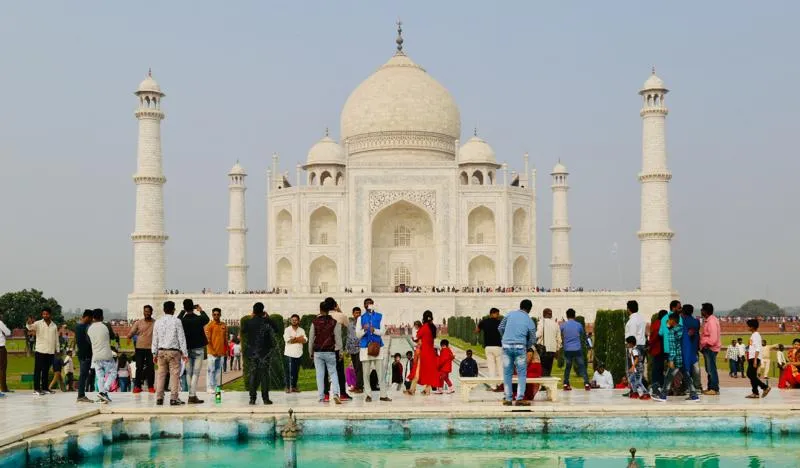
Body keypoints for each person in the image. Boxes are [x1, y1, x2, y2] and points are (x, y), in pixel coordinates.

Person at [498, 299, 536, 406]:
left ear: (520, 306)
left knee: (507, 373)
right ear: (529, 309)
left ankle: (508, 398)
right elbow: (533, 338)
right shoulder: (529, 320)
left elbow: (500, 327)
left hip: (506, 346)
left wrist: (505, 338)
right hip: (520, 347)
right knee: (521, 374)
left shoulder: (510, 314)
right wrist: (527, 346)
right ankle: (519, 398)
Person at [654, 312, 697, 402]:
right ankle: (694, 395)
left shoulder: (672, 332)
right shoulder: (682, 329)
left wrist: (671, 360)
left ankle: (663, 395)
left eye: (669, 320)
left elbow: (673, 347)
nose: (667, 322)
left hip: (676, 359)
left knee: (668, 377)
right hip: (683, 358)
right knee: (686, 376)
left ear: (672, 321)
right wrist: (670, 327)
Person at [151, 301, 188, 406]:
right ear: (173, 310)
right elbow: (181, 337)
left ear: (164, 310)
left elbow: (155, 338)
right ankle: (173, 398)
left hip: (161, 351)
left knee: (161, 375)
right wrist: (185, 353)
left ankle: (159, 398)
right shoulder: (177, 321)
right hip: (173, 351)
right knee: (174, 375)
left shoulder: (158, 322)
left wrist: (154, 353)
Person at [356, 298, 390, 402]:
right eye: (366, 304)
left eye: (370, 303)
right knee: (366, 373)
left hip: (377, 347)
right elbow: (358, 334)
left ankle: (383, 395)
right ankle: (368, 395)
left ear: (372, 305)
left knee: (380, 372)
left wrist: (373, 330)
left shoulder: (380, 316)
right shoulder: (360, 318)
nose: (368, 305)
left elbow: (382, 332)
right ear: (364, 306)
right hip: (365, 347)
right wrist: (364, 330)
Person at [309, 300, 342, 404]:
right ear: (329, 310)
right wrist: (340, 351)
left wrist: (310, 352)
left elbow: (311, 338)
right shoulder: (334, 322)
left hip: (318, 352)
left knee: (320, 374)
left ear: (320, 309)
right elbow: (338, 338)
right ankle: (336, 394)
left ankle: (321, 397)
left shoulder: (315, 322)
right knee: (333, 373)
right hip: (330, 351)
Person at [241, 302, 275, 405]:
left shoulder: (250, 322)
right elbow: (276, 329)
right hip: (264, 352)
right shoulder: (266, 321)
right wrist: (268, 318)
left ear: (254, 311)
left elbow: (243, 331)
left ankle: (252, 399)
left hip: (253, 352)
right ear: (263, 311)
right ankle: (265, 399)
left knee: (253, 375)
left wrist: (252, 318)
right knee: (264, 375)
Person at [177, 299, 210, 404]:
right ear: (193, 307)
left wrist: (183, 311)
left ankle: (192, 395)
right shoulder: (199, 319)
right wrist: (200, 310)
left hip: (186, 349)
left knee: (189, 373)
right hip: (198, 348)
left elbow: (177, 319)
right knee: (195, 373)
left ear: (185, 308)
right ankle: (192, 395)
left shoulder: (181, 320)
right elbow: (207, 318)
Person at [26, 308, 59, 396]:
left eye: (47, 314)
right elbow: (30, 327)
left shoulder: (54, 325)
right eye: (43, 314)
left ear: (50, 314)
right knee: (38, 370)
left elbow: (56, 339)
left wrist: (57, 350)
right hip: (40, 351)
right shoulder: (38, 323)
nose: (45, 316)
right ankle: (36, 389)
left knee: (46, 370)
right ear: (42, 315)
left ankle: (45, 388)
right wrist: (29, 322)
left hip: (50, 351)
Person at [325, 298, 352, 401]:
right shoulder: (340, 316)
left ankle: (326, 394)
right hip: (336, 348)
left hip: (324, 348)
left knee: (325, 372)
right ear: (335, 305)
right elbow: (348, 326)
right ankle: (343, 393)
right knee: (340, 371)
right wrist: (339, 310)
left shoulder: (320, 317)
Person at [88, 309, 117, 403]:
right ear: (102, 317)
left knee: (100, 376)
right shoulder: (106, 325)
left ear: (93, 317)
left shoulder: (89, 328)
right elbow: (112, 336)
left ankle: (102, 394)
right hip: (106, 355)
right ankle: (104, 390)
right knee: (113, 373)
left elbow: (89, 341)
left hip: (96, 356)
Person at [127, 304, 156, 394]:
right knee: (139, 367)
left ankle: (151, 386)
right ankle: (137, 386)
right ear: (143, 312)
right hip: (139, 348)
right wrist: (128, 337)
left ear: (151, 312)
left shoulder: (155, 323)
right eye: (145, 311)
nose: (146, 313)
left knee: (150, 368)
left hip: (150, 348)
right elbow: (132, 332)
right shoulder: (138, 323)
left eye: (148, 311)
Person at [560, 308, 590, 391]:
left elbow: (560, 334)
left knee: (568, 367)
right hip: (577, 348)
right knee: (582, 366)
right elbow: (581, 334)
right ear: (574, 315)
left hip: (567, 349)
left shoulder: (563, 325)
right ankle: (586, 383)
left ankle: (566, 383)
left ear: (567, 316)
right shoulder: (578, 325)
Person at [412, 310, 440, 396]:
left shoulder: (424, 327)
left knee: (417, 370)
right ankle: (427, 390)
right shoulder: (433, 327)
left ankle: (412, 389)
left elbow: (417, 337)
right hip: (431, 352)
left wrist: (414, 339)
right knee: (429, 371)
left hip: (424, 352)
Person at [476, 308, 503, 390]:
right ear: (492, 313)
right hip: (498, 347)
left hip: (488, 347)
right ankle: (501, 385)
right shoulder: (500, 322)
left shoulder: (484, 322)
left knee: (491, 368)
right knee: (500, 367)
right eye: (497, 314)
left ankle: (493, 386)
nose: (498, 316)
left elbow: (477, 330)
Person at [699, 302, 721, 395]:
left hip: (710, 348)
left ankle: (714, 389)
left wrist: (705, 343)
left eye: (702, 309)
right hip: (708, 348)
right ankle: (710, 387)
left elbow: (713, 338)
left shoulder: (711, 321)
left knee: (711, 369)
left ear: (705, 311)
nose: (701, 311)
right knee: (709, 369)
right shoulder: (708, 320)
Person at [745, 319, 770, 399]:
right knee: (752, 375)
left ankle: (765, 387)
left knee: (750, 374)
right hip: (752, 357)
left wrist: (755, 360)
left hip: (754, 358)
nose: (747, 327)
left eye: (748, 326)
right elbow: (751, 347)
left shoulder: (756, 335)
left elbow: (758, 348)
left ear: (752, 327)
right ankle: (755, 393)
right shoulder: (753, 335)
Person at [204, 308, 228, 394]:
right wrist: (213, 351)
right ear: (212, 315)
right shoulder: (209, 325)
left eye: (218, 314)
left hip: (221, 352)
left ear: (220, 315)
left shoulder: (224, 325)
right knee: (211, 370)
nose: (216, 316)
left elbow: (225, 339)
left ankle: (217, 388)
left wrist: (226, 351)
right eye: (214, 314)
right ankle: (209, 387)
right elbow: (208, 340)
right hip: (212, 353)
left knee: (218, 371)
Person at [680, 304, 701, 397]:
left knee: (685, 369)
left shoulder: (682, 321)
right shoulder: (696, 322)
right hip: (694, 347)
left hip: (685, 348)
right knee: (696, 369)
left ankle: (686, 387)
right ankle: (697, 387)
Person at [75, 310, 94, 402]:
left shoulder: (78, 326)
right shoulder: (86, 327)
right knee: (83, 375)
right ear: (87, 317)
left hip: (81, 354)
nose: (92, 320)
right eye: (91, 318)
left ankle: (81, 394)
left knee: (83, 375)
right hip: (86, 354)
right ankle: (81, 395)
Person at [283, 314, 306, 393]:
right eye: (292, 320)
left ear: (298, 321)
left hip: (299, 353)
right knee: (288, 371)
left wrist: (294, 339)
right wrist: (299, 339)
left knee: (296, 371)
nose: (294, 321)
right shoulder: (287, 330)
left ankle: (294, 387)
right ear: (290, 320)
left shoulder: (302, 330)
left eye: (296, 320)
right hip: (289, 354)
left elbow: (305, 340)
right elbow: (288, 340)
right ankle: (287, 387)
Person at [536, 308, 561, 377]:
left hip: (543, 349)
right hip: (552, 349)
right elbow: (559, 339)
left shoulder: (541, 322)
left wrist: (531, 336)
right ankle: (546, 385)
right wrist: (558, 349)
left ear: (543, 314)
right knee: (548, 369)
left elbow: (539, 334)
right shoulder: (556, 324)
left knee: (542, 369)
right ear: (551, 315)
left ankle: (543, 386)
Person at [624, 300, 647, 373]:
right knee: (639, 370)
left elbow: (632, 336)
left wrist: (631, 351)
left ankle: (636, 384)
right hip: (641, 345)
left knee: (633, 371)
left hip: (635, 347)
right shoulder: (641, 318)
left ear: (628, 309)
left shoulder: (632, 320)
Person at [648, 310, 667, 396]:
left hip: (657, 349)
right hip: (659, 349)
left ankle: (658, 386)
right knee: (658, 369)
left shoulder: (655, 323)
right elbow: (655, 337)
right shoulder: (660, 325)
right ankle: (657, 387)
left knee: (657, 369)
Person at [346, 307, 364, 394]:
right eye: (356, 313)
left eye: (359, 313)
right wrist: (347, 348)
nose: (358, 314)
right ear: (353, 314)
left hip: (360, 348)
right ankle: (357, 385)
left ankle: (360, 387)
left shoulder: (363, 324)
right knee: (356, 368)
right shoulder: (350, 324)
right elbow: (348, 337)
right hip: (352, 349)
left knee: (359, 368)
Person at [0, 315, 11, 393]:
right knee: (2, 369)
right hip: (1, 348)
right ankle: (3, 388)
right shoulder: (0, 323)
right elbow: (8, 332)